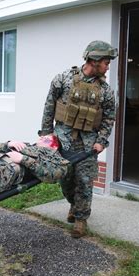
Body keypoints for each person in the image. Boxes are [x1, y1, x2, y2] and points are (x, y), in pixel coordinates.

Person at [39, 40, 118, 238]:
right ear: (95, 60)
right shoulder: (64, 78)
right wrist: (47, 133)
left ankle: (81, 220)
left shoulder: (105, 90)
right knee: (65, 181)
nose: (108, 66)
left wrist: (102, 140)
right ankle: (73, 205)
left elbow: (109, 117)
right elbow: (49, 105)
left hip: (88, 146)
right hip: (63, 141)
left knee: (84, 181)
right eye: (106, 62)